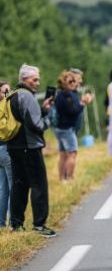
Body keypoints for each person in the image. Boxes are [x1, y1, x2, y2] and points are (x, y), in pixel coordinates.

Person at [7, 64, 56, 237]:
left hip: (14, 146)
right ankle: (39, 225)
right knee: (39, 185)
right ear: (25, 79)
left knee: (19, 185)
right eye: (34, 79)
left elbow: (23, 118)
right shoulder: (27, 96)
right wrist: (49, 118)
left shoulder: (12, 94)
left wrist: (42, 109)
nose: (37, 82)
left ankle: (16, 224)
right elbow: (36, 125)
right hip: (30, 147)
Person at [53, 70, 93, 182]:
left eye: (75, 81)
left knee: (62, 154)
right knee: (72, 153)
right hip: (67, 129)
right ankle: (69, 179)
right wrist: (84, 102)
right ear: (64, 83)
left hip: (59, 128)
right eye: (71, 82)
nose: (75, 84)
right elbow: (73, 110)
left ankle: (62, 179)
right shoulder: (67, 95)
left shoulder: (60, 94)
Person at [0, 81, 12, 227]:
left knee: (3, 189)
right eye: (5, 91)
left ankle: (1, 223)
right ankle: (13, 222)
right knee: (13, 186)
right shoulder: (4, 107)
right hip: (4, 148)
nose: (9, 93)